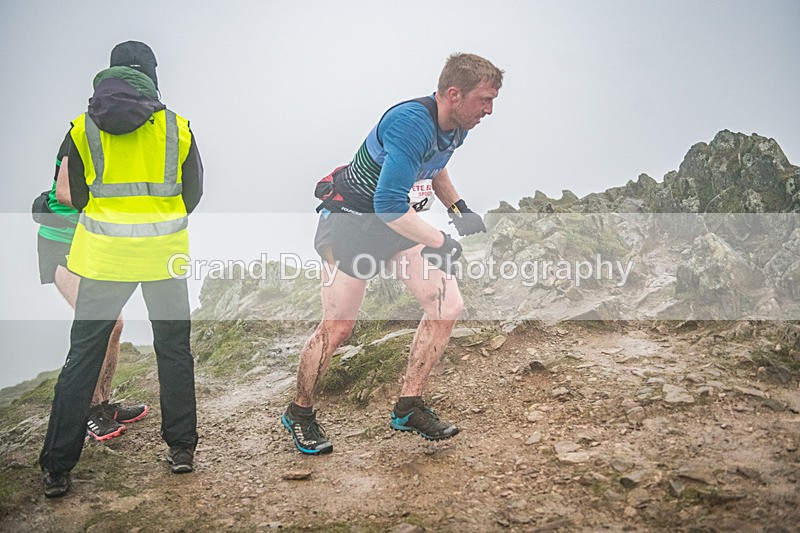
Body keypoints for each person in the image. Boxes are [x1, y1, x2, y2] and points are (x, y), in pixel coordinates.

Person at [282, 52, 503, 455]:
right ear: (454, 94)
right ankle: (300, 412)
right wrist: (440, 240)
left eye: (492, 102)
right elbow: (387, 204)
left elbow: (434, 167)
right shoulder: (409, 123)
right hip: (351, 224)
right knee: (339, 327)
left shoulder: (457, 125)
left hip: (397, 227)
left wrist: (458, 208)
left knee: (446, 306)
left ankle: (409, 405)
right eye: (484, 100)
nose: (489, 110)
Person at [39, 41, 203, 498]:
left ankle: (56, 468)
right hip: (162, 255)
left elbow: (69, 195)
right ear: (152, 75)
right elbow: (193, 193)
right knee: (173, 350)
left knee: (82, 358)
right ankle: (181, 449)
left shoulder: (80, 127)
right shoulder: (177, 127)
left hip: (103, 257)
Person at [35, 139, 149, 442]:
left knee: (114, 323)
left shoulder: (120, 141)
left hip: (93, 245)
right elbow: (64, 193)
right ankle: (89, 411)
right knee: (104, 322)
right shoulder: (79, 135)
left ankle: (102, 404)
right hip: (60, 242)